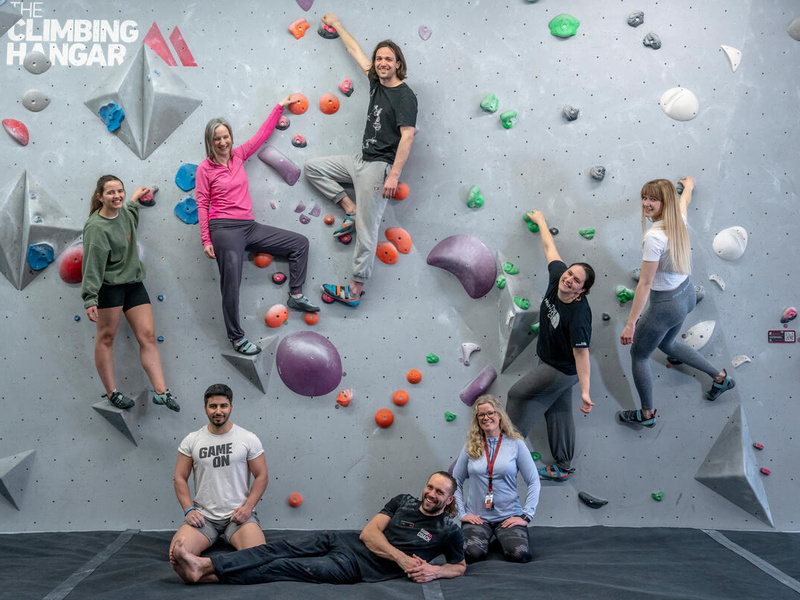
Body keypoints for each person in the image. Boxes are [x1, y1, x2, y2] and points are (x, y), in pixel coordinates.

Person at [171, 472, 466, 585]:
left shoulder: (448, 530)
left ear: (449, 498)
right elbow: (369, 533)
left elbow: (459, 566)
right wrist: (401, 559)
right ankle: (205, 564)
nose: (432, 494)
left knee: (283, 566)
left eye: (440, 492)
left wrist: (436, 571)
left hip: (354, 568)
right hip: (346, 541)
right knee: (276, 548)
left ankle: (206, 575)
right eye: (430, 486)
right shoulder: (403, 500)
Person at [304, 13, 418, 307]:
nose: (382, 63)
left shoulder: (405, 96)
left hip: (379, 169)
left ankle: (353, 292)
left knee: (367, 232)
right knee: (312, 169)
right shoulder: (377, 83)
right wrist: (339, 25)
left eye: (388, 59)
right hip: (360, 160)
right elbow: (357, 53)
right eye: (379, 58)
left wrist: (393, 176)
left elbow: (407, 137)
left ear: (398, 64)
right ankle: (349, 208)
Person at [197, 96, 319, 356]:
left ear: (230, 137)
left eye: (225, 136)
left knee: (300, 243)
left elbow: (262, 135)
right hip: (224, 230)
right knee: (231, 284)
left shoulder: (239, 155)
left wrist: (279, 106)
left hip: (248, 227)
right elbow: (201, 204)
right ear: (210, 142)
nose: (222, 142)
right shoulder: (205, 169)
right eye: (216, 138)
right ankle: (236, 337)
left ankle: (295, 295)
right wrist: (206, 240)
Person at [618, 177, 735, 428]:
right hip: (686, 294)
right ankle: (720, 377)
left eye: (653, 199)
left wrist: (631, 324)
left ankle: (647, 414)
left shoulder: (654, 238)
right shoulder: (678, 220)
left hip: (665, 306)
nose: (646, 204)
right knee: (668, 343)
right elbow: (684, 202)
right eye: (645, 197)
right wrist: (689, 186)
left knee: (639, 355)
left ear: (664, 203)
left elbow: (645, 284)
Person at [505, 210, 595, 482]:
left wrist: (586, 390)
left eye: (576, 281)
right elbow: (549, 248)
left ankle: (504, 452)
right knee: (558, 411)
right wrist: (542, 222)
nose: (569, 280)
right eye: (570, 274)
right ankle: (564, 466)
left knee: (518, 393)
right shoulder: (558, 276)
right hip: (547, 359)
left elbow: (581, 353)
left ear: (581, 291)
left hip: (561, 368)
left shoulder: (579, 315)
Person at [81, 175, 179, 412]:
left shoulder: (124, 213)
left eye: (120, 191)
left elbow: (131, 216)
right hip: (109, 287)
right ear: (100, 196)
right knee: (106, 339)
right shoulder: (96, 228)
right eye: (111, 193)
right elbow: (92, 266)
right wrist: (90, 298)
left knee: (147, 336)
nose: (117, 196)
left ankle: (161, 392)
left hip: (133, 283)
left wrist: (134, 198)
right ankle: (112, 393)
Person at [169, 384, 268, 562]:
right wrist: (188, 510)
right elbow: (179, 477)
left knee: (258, 556)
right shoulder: (192, 440)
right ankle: (201, 562)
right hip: (204, 518)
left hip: (238, 517)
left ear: (231, 407)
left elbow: (262, 476)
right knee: (177, 555)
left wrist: (247, 508)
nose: (218, 411)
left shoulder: (248, 438)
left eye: (223, 405)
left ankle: (204, 567)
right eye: (213, 406)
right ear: (205, 409)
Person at [453, 395, 539, 563]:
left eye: (490, 413)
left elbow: (534, 481)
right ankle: (489, 539)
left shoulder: (516, 444)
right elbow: (455, 481)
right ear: (477, 419)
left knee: (520, 554)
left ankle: (501, 539)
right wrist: (462, 514)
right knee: (471, 555)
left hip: (508, 517)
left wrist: (526, 515)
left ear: (499, 415)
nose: (486, 418)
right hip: (477, 518)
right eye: (481, 415)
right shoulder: (470, 446)